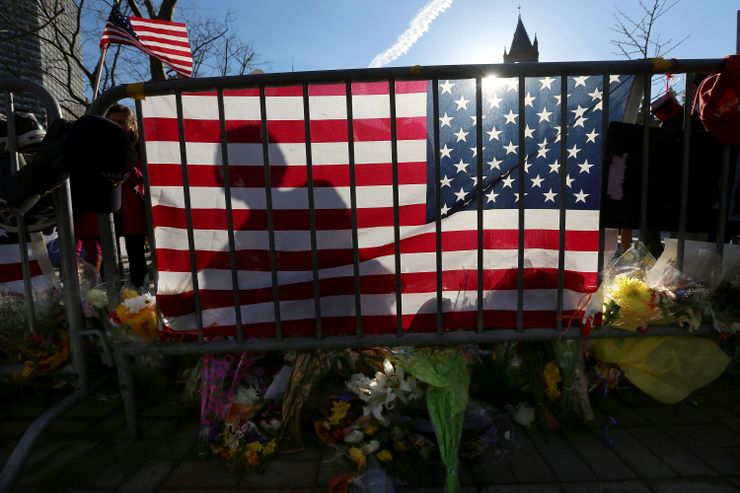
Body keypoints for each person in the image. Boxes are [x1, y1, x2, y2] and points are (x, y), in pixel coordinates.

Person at [105, 104, 149, 290]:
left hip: (132, 205)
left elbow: (144, 175)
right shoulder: (100, 143)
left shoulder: (139, 144)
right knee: (110, 252)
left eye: (121, 122)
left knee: (135, 251)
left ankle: (140, 292)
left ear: (131, 124)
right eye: (112, 122)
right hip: (107, 204)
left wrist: (125, 163)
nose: (116, 126)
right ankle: (114, 291)